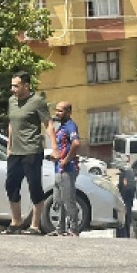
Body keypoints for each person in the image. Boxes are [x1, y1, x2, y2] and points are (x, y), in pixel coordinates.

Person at [2, 71, 56, 235]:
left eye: (16, 86)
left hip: (32, 150)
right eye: (12, 86)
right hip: (15, 152)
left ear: (26, 86)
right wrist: (9, 146)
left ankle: (34, 225)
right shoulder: (12, 101)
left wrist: (55, 148)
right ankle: (16, 222)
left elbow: (48, 124)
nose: (13, 89)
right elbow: (12, 124)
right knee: (11, 185)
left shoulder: (37, 101)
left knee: (34, 186)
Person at [49, 101, 83, 237]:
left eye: (60, 111)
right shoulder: (61, 127)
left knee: (68, 199)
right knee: (58, 200)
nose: (57, 113)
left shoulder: (70, 126)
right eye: (56, 110)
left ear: (68, 112)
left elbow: (76, 143)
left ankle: (74, 228)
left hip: (67, 169)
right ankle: (60, 228)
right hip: (58, 169)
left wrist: (66, 160)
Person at [116, 162, 137, 238]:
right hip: (131, 193)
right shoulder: (131, 172)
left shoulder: (123, 175)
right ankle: (126, 232)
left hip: (125, 194)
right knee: (128, 211)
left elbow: (121, 187)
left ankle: (123, 233)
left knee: (124, 212)